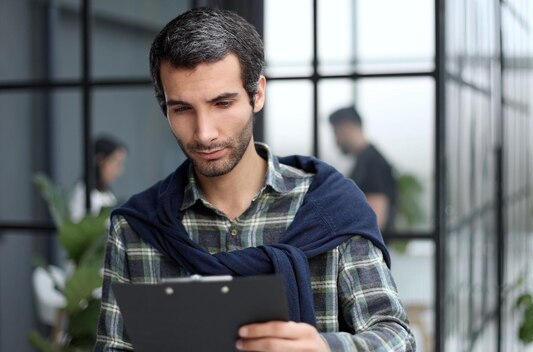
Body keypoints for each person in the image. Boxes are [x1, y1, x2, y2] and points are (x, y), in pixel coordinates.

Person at [95, 8, 415, 352]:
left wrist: (327, 348)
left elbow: (396, 337)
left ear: (257, 94)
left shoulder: (331, 209)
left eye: (222, 103)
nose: (204, 133)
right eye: (182, 109)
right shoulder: (136, 228)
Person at [329, 106, 398, 232]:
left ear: (347, 126)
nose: (336, 140)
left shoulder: (373, 162)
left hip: (367, 249)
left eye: (336, 132)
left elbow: (375, 219)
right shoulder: (364, 160)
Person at [68, 136, 127, 222]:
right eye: (116, 163)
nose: (119, 171)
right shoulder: (82, 194)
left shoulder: (107, 194)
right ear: (100, 159)